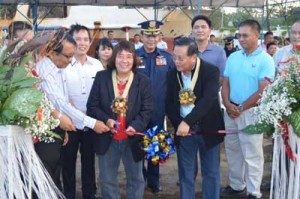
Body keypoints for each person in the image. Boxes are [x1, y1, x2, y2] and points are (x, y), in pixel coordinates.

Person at [86, 40, 153, 199]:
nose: (124, 60)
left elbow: (147, 109)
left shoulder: (143, 81)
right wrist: (107, 120)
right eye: (120, 56)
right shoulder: (102, 77)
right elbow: (92, 106)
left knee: (136, 179)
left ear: (134, 59)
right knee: (107, 180)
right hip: (108, 137)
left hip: (132, 138)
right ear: (114, 58)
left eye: (129, 57)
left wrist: (136, 126)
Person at [221, 19, 275, 199]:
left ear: (256, 35)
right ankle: (237, 185)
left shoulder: (265, 60)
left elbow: (263, 90)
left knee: (252, 153)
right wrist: (228, 104)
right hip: (231, 111)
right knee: (233, 149)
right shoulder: (234, 56)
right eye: (239, 35)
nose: (241, 39)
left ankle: (254, 192)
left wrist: (241, 107)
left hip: (251, 113)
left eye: (245, 35)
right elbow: (225, 81)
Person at [166, 37, 224, 199]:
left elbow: (208, 100)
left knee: (211, 173)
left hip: (208, 128)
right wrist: (180, 124)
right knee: (186, 175)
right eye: (174, 57)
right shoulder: (172, 74)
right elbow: (169, 104)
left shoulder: (210, 71)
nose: (176, 61)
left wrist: (187, 122)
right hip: (184, 133)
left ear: (194, 57)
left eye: (181, 58)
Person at [62, 24, 104, 199]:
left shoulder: (97, 64)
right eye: (78, 39)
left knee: (89, 162)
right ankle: (68, 194)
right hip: (68, 123)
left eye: (86, 39)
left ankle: (90, 193)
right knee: (68, 162)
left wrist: (92, 120)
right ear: (70, 40)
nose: (82, 43)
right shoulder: (63, 64)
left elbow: (102, 94)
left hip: (91, 124)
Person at [136, 20, 176, 194]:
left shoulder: (167, 58)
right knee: (137, 145)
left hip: (159, 110)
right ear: (142, 36)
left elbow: (174, 84)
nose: (151, 39)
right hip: (137, 111)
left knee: (155, 147)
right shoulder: (133, 56)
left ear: (159, 36)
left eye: (154, 35)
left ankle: (153, 181)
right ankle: (140, 177)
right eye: (147, 35)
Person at [35, 30, 78, 189]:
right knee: (47, 179)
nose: (70, 60)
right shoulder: (43, 71)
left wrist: (62, 124)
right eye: (67, 56)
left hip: (57, 127)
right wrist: (91, 123)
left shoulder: (58, 69)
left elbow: (62, 101)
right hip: (45, 134)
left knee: (54, 176)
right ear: (53, 53)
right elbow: (56, 103)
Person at [271, 19, 300, 199]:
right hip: (283, 116)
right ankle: (286, 188)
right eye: (294, 32)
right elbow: (272, 80)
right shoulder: (280, 53)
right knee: (285, 154)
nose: (296, 36)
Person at [191, 15, 226, 83]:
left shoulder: (219, 52)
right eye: (196, 27)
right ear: (192, 31)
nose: (200, 30)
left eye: (203, 27)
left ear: (209, 31)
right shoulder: (186, 51)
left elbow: (222, 76)